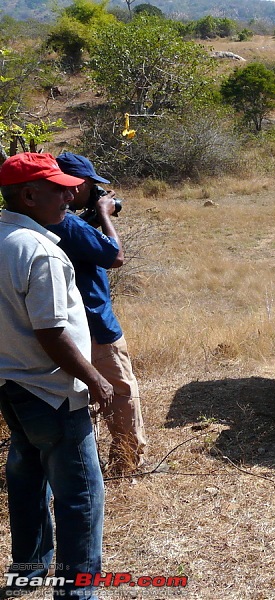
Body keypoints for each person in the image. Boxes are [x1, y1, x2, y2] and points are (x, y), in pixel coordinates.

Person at [0, 152, 110, 599]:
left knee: (26, 479)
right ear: (29, 194)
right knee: (81, 498)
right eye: (58, 188)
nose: (70, 195)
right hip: (52, 392)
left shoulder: (5, 238)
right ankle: (77, 592)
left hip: (11, 386)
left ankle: (27, 571)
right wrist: (96, 381)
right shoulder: (41, 251)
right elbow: (52, 334)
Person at [47, 152, 146, 475]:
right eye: (92, 186)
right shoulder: (71, 223)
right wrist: (104, 213)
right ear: (74, 186)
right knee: (121, 391)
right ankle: (126, 465)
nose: (96, 192)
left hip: (57, 327)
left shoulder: (40, 219)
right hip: (95, 323)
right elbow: (114, 256)